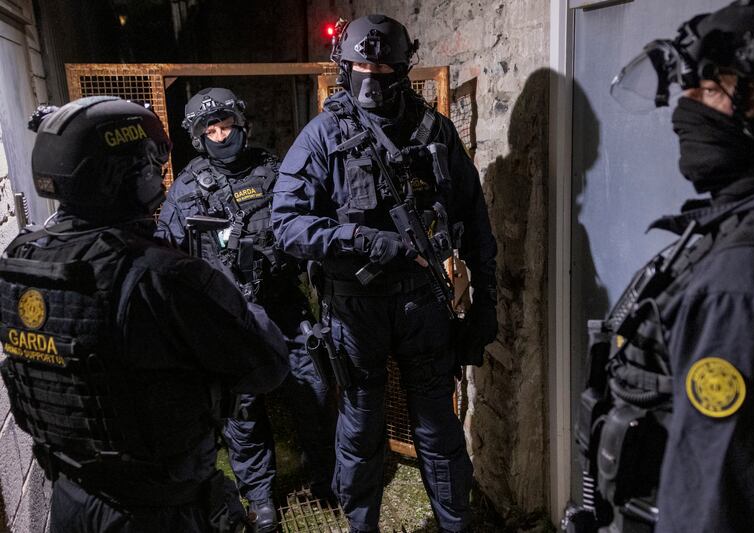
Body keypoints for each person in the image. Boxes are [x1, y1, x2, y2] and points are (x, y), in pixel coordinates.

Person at [0, 96, 290, 532]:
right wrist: (228, 288)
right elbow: (266, 364)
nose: (157, 173)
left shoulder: (23, 258)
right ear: (129, 174)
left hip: (71, 498)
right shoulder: (162, 274)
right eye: (152, 163)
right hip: (158, 510)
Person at [568, 1, 754, 532]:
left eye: (713, 86)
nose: (685, 108)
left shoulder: (747, 281)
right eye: (687, 85)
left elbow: (718, 509)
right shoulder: (746, 222)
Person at [271, 14, 498, 533]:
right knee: (360, 431)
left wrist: (485, 301)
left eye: (384, 67)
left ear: (403, 69)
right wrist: (361, 238)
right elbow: (285, 225)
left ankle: (454, 524)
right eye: (360, 66)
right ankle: (362, 525)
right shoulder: (322, 136)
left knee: (438, 429)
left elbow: (475, 221)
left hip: (424, 303)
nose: (371, 76)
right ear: (344, 68)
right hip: (355, 308)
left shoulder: (434, 131)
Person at [155, 88, 336, 531]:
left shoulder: (275, 172)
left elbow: (307, 228)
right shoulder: (184, 193)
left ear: (241, 124)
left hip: (284, 309)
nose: (221, 135)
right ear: (198, 137)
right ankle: (260, 497)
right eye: (210, 130)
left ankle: (329, 479)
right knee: (243, 414)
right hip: (228, 322)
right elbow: (167, 259)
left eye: (226, 125)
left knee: (312, 394)